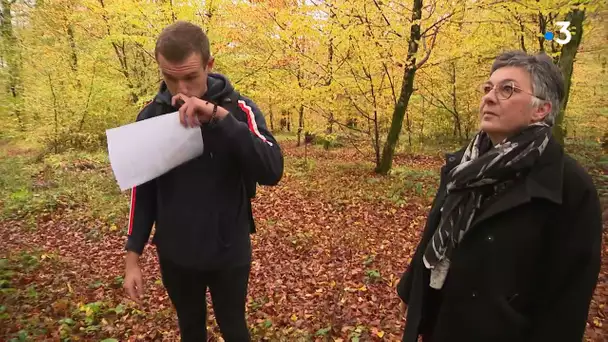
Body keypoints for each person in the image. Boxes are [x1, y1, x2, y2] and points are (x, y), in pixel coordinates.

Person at [396, 51, 602, 342]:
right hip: (442, 327)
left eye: (507, 89)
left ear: (541, 109)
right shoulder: (464, 167)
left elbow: (567, 302)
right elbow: (435, 232)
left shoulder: (570, 187)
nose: (489, 98)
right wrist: (412, 293)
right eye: (488, 88)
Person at [122, 21, 284, 342]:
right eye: (170, 78)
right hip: (176, 255)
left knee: (234, 328)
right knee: (191, 329)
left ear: (209, 66)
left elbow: (271, 169)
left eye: (191, 77)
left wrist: (218, 118)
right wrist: (132, 258)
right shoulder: (151, 117)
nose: (181, 89)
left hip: (229, 252)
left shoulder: (239, 110)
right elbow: (144, 191)